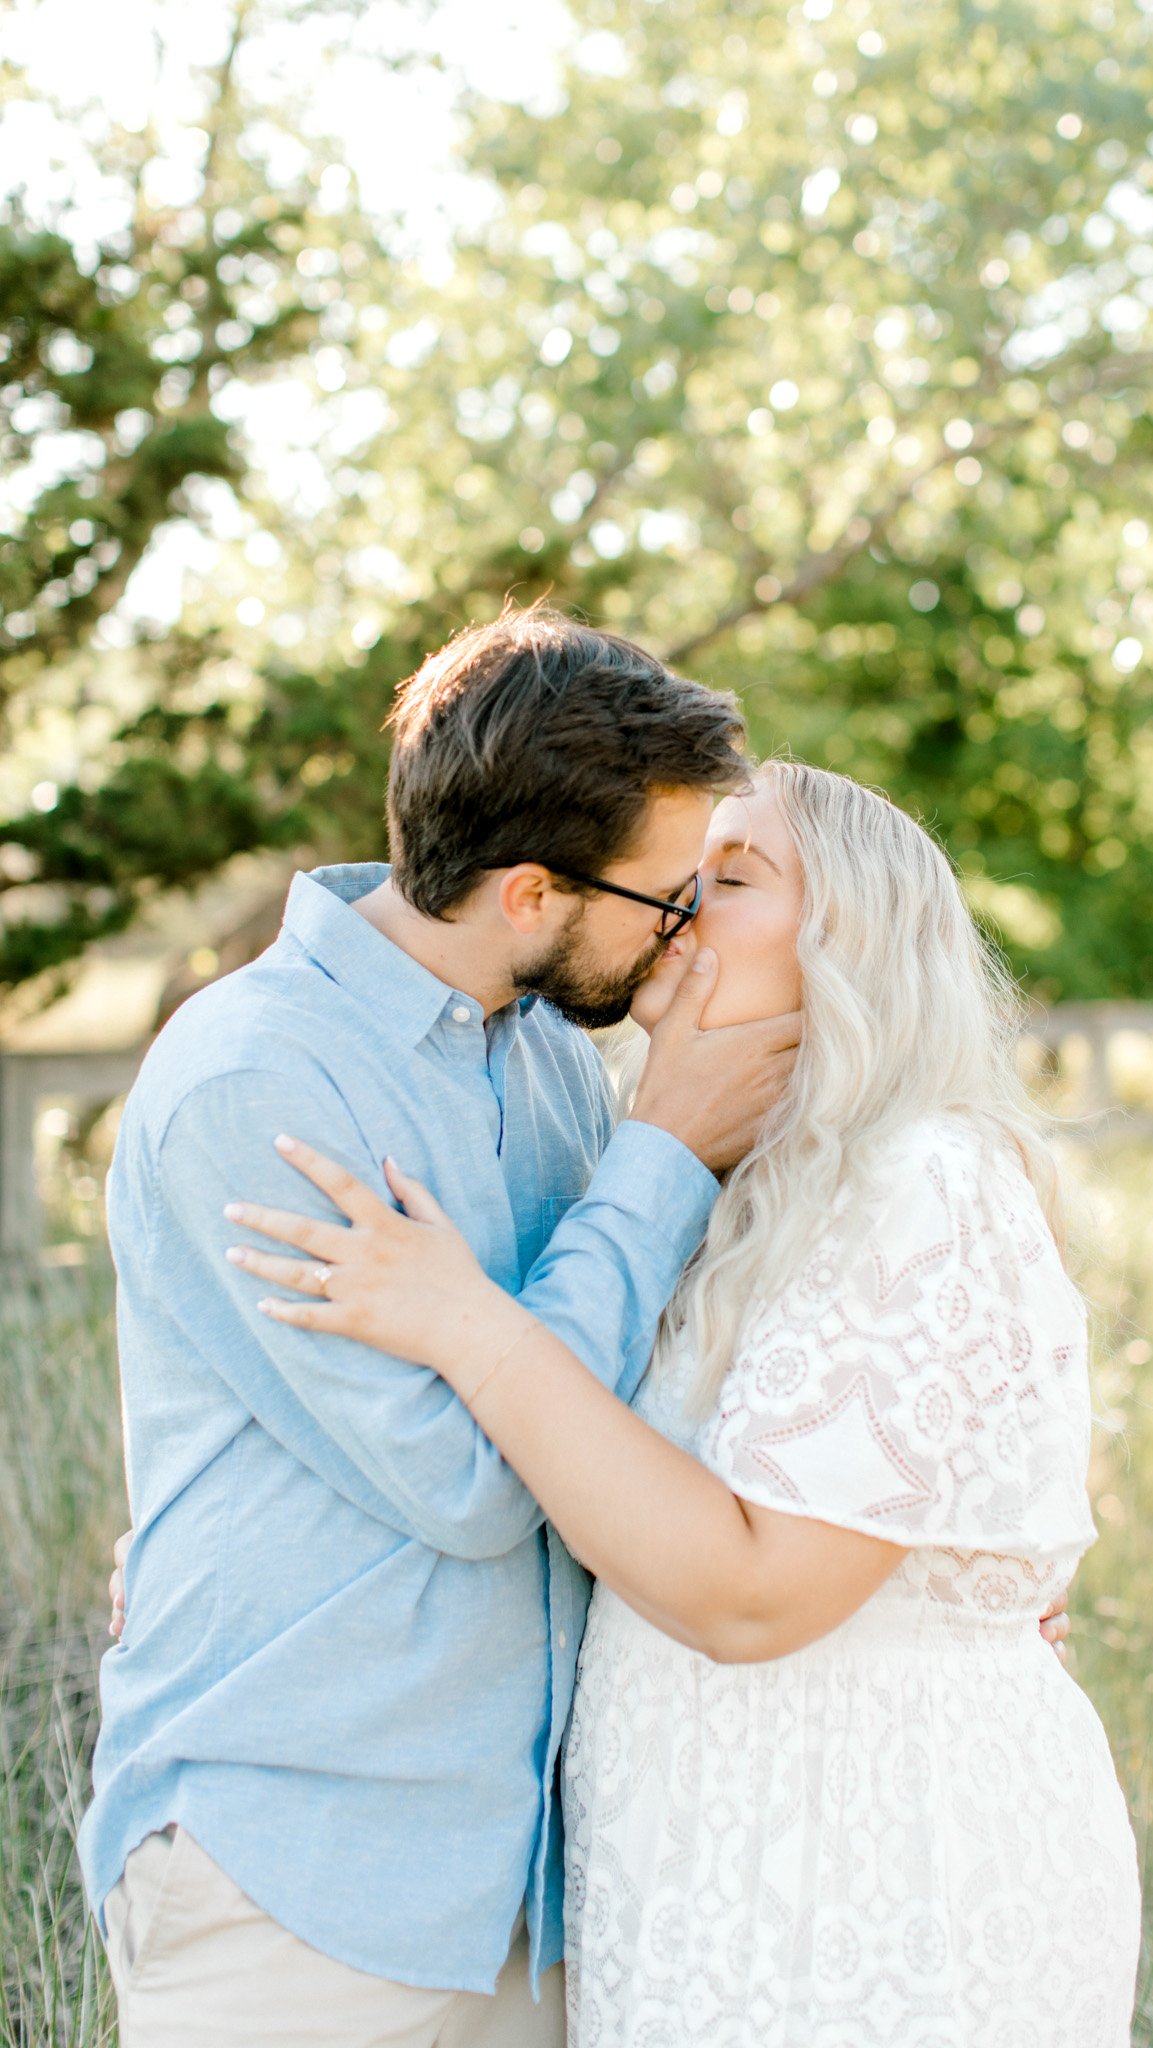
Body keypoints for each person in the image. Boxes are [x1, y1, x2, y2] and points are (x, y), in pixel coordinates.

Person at [222, 761, 1141, 2047]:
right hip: (700, 1871)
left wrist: (466, 1321)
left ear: (850, 941)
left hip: (880, 1866)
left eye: (733, 877)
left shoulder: (924, 1181)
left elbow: (756, 1589)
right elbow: (573, 1492)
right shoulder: (702, 1190)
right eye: (677, 877)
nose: (672, 906)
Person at [79, 605, 806, 2048]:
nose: (679, 941)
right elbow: (474, 1483)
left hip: (525, 1881)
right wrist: (660, 1153)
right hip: (299, 1876)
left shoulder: (546, 1058)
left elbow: (622, 1407)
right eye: (665, 901)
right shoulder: (257, 1080)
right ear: (531, 892)